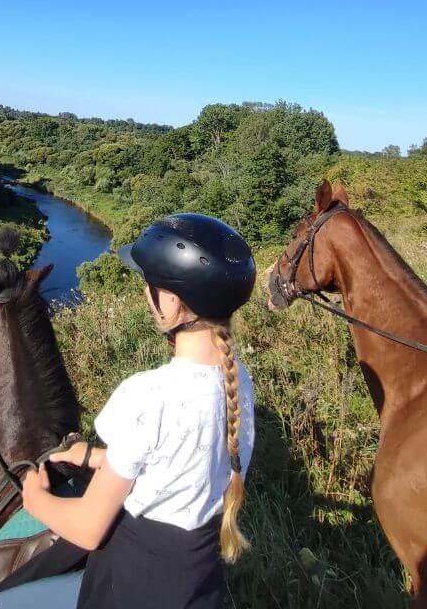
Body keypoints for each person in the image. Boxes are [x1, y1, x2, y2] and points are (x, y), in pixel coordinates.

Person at [21, 213, 257, 609]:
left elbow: (89, 530)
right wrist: (94, 457)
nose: (146, 295)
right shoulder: (239, 380)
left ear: (171, 301)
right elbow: (179, 464)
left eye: (150, 285)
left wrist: (36, 499)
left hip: (131, 584)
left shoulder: (148, 395)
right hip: (197, 580)